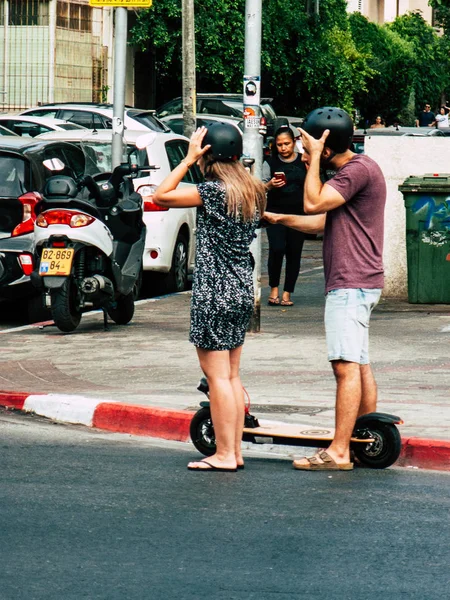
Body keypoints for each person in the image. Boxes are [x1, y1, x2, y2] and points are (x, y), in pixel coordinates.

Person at [263, 106, 387, 471]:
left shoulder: (355, 172)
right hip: (358, 281)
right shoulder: (360, 170)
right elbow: (321, 219)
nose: (301, 153)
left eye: (307, 146)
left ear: (326, 147)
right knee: (359, 362)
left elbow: (313, 201)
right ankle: (364, 438)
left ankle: (338, 451)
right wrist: (278, 217)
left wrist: (313, 158)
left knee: (345, 366)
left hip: (351, 282)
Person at [153, 123, 266, 472]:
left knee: (217, 378)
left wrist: (187, 160)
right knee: (230, 376)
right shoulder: (253, 190)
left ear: (208, 155)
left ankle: (225, 455)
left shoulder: (213, 191)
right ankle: (234, 452)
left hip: (214, 292)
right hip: (240, 289)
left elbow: (161, 195)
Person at [262, 125, 307, 307]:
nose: (283, 148)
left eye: (287, 143)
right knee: (277, 249)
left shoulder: (303, 161)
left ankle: (288, 293)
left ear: (294, 142)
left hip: (299, 215)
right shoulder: (270, 163)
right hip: (274, 214)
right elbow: (259, 187)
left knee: (294, 253)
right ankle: (274, 289)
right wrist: (270, 185)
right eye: (279, 144)